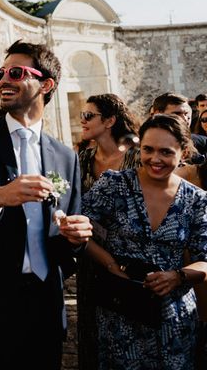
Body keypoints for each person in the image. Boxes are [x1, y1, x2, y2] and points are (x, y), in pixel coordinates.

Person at [0, 40, 92, 369]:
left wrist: (76, 238)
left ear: (46, 84)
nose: (3, 80)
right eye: (1, 72)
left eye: (15, 72)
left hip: (44, 306)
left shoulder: (66, 156)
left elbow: (67, 245)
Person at [82, 114, 207, 369]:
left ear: (183, 152)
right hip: (120, 312)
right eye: (148, 149)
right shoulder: (113, 185)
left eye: (166, 152)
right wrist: (110, 265)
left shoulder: (197, 200)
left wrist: (178, 276)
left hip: (174, 319)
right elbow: (79, 230)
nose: (155, 159)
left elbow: (205, 261)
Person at [75, 93, 140, 370]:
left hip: (130, 258)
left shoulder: (137, 158)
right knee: (93, 332)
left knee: (131, 335)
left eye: (89, 116)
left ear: (110, 120)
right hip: (90, 256)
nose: (83, 121)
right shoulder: (83, 158)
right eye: (82, 116)